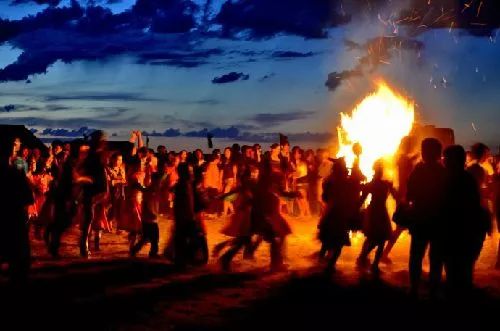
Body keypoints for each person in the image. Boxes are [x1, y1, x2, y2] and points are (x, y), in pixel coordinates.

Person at [443, 145, 490, 295]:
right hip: (463, 227)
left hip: (456, 227)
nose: (444, 162)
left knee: (454, 263)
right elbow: (477, 199)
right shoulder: (469, 175)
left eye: (446, 159)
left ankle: (457, 292)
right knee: (464, 262)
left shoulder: (457, 176)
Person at [406, 138, 447, 297]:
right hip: (438, 221)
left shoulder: (418, 171)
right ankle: (433, 291)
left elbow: (410, 194)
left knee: (416, 255)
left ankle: (414, 289)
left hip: (421, 219)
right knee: (436, 257)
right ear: (439, 154)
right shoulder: (444, 172)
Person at [0, 138, 34, 284]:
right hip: (7, 206)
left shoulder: (19, 162)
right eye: (12, 143)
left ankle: (18, 269)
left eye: (15, 143)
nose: (14, 146)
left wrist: (27, 201)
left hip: (15, 206)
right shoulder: (13, 164)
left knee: (17, 237)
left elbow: (24, 182)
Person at [357, 160, 398, 274]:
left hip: (379, 212)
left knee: (380, 239)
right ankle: (364, 258)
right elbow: (362, 199)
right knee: (375, 238)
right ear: (376, 170)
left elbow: (396, 196)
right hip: (375, 212)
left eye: (381, 169)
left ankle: (372, 263)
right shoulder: (374, 184)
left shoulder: (383, 184)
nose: (380, 171)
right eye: (379, 169)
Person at [318, 159, 356, 273]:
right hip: (339, 215)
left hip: (332, 215)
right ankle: (330, 266)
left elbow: (326, 199)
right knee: (338, 243)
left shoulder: (330, 181)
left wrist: (323, 218)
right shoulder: (346, 182)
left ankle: (319, 266)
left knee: (327, 242)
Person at [79, 131, 108, 258]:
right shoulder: (93, 155)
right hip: (91, 191)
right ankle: (83, 246)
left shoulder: (97, 154)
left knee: (91, 219)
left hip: (97, 191)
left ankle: (85, 245)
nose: (104, 141)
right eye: (102, 139)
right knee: (88, 219)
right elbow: (87, 171)